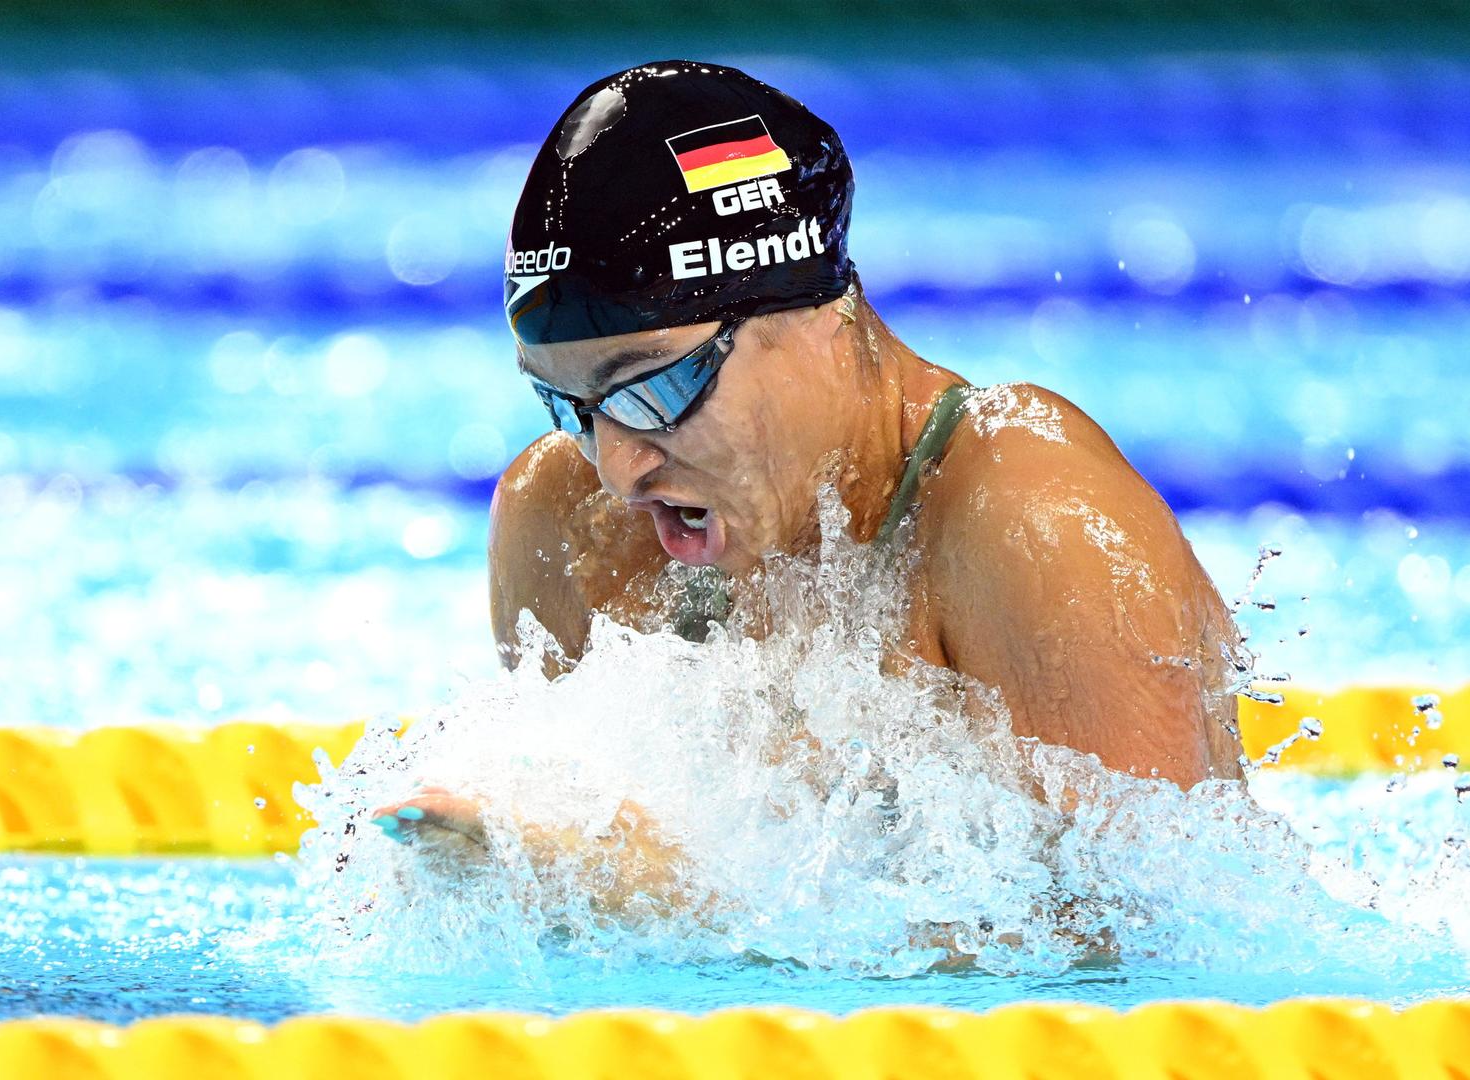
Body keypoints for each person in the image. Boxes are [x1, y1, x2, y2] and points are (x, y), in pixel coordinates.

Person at [369, 61, 1244, 894]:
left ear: (819, 316)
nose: (618, 466)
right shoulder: (565, 522)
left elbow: (1143, 953)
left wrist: (672, 898)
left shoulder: (1036, 527)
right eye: (570, 405)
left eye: (658, 386)